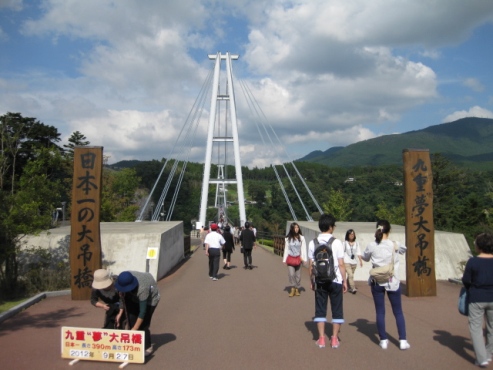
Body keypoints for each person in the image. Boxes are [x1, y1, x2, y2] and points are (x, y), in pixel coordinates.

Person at [361, 220, 410, 350]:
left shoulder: (372, 245)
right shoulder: (394, 245)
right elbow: (405, 249)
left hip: (377, 281)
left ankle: (383, 340)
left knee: (380, 311)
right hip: (392, 281)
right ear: (389, 230)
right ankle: (403, 340)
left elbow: (365, 258)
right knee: (398, 312)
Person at [308, 214, 347, 349]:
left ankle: (321, 339)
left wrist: (312, 281)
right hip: (335, 280)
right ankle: (334, 339)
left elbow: (311, 265)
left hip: (320, 281)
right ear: (331, 227)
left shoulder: (313, 243)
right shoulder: (337, 242)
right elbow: (341, 264)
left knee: (320, 309)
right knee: (337, 309)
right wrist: (345, 281)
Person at [462, 232, 493, 367]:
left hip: (477, 297)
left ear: (478, 246)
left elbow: (466, 280)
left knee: (476, 328)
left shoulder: (473, 261)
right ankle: (489, 353)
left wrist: (470, 289)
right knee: (492, 327)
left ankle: (481, 358)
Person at [115, 271, 160, 356]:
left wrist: (135, 328)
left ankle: (147, 346)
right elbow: (122, 297)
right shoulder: (121, 279)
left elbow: (142, 312)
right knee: (131, 318)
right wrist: (120, 313)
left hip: (150, 299)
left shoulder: (142, 288)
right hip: (133, 296)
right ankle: (134, 343)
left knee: (143, 324)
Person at [282, 222, 307, 297]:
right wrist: (284, 259)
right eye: (295, 228)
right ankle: (293, 288)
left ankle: (297, 289)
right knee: (291, 274)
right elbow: (286, 249)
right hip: (290, 258)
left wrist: (304, 259)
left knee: (298, 275)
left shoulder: (301, 238)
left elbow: (303, 249)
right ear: (292, 229)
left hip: (298, 258)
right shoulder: (288, 238)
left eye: (297, 227)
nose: (296, 229)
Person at [343, 229, 363, 294]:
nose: (352, 235)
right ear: (348, 235)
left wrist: (360, 261)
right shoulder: (345, 243)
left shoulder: (356, 243)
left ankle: (347, 285)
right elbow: (342, 252)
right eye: (350, 234)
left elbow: (359, 252)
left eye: (353, 234)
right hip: (347, 261)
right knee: (350, 275)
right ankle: (353, 288)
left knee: (350, 276)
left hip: (354, 262)